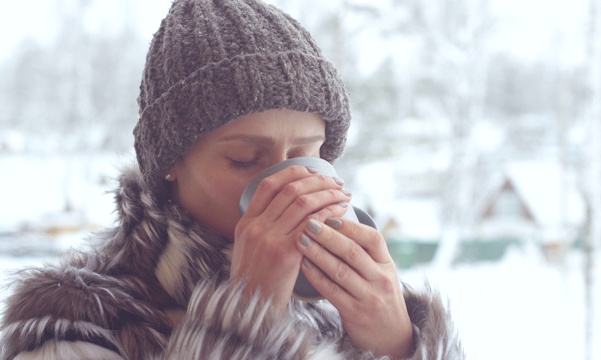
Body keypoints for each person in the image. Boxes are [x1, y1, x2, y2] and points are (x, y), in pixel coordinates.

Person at [0, 0, 464, 359]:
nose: (286, 182)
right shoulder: (72, 321)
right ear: (170, 161)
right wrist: (245, 317)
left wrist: (401, 343)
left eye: (307, 154)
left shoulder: (336, 305)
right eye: (245, 159)